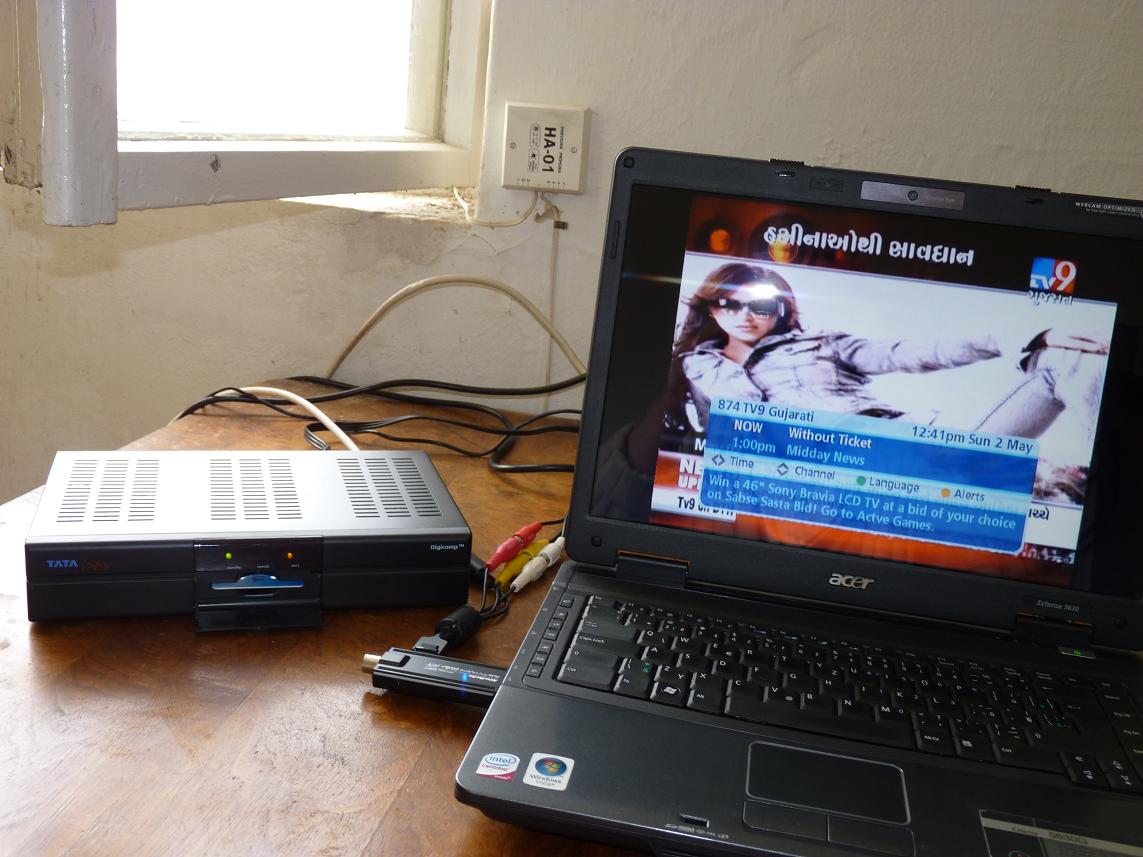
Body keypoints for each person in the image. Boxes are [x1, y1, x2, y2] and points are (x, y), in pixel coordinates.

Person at [668, 262, 1107, 440]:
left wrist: (1022, 337)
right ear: (712, 307)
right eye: (729, 303)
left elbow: (909, 352)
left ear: (780, 309)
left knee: (1067, 359)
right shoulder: (690, 367)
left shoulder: (823, 344)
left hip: (906, 451)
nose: (745, 315)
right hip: (798, 482)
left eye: (760, 305)